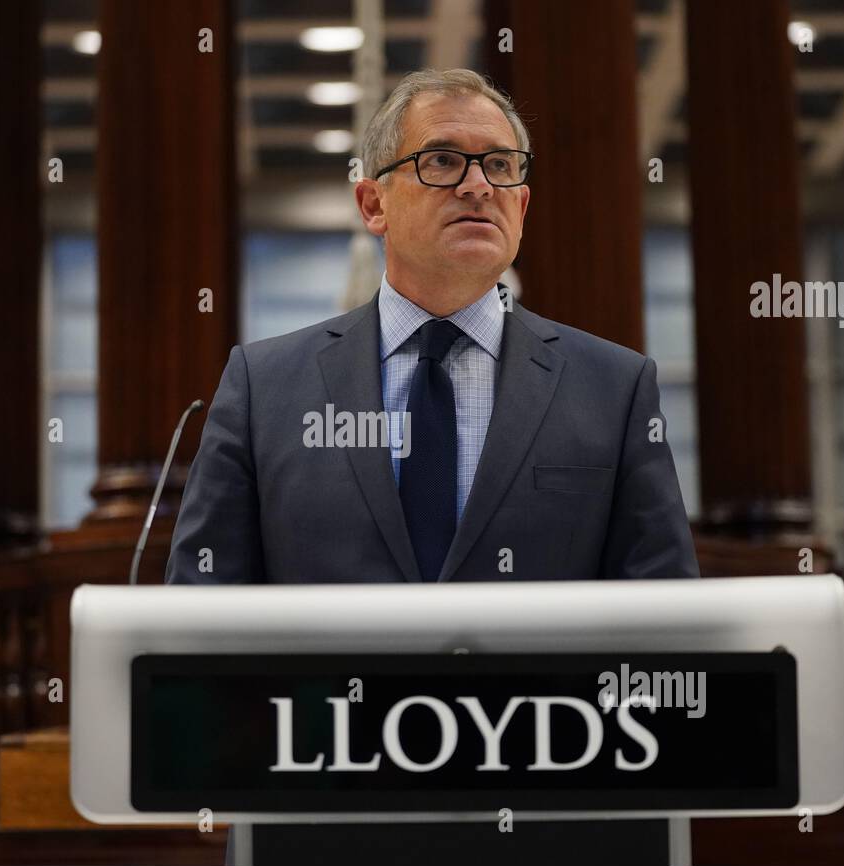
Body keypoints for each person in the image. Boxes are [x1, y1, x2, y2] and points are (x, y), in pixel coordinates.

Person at [166, 68, 697, 587]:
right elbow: (199, 611)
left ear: (522, 204)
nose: (478, 186)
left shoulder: (614, 388)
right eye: (442, 160)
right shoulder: (264, 389)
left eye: (499, 165)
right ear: (374, 205)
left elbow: (665, 614)